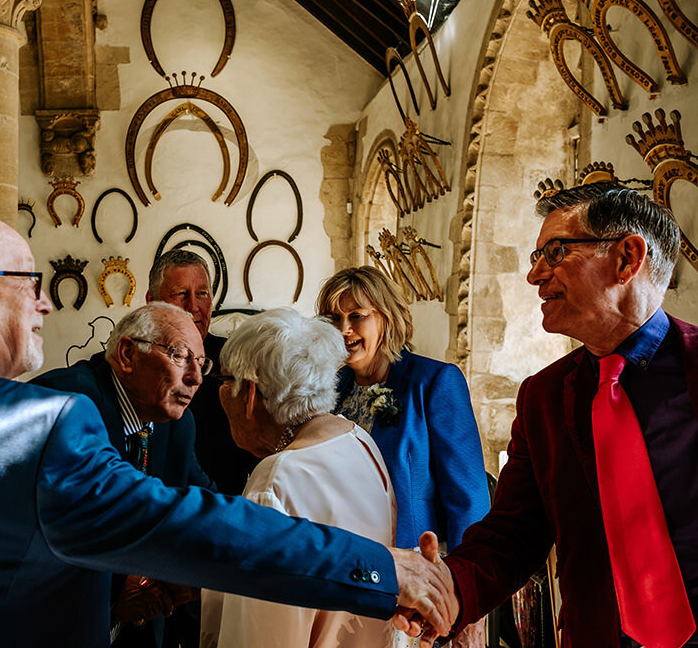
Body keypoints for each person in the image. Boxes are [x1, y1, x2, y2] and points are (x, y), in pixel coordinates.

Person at [0, 191, 456, 647]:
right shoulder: (38, 423)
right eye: (30, 283)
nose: (46, 304)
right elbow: (198, 526)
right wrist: (377, 567)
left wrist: (105, 596)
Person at [441, 183, 698, 648]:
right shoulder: (542, 396)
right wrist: (447, 588)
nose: (535, 275)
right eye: (535, 256)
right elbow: (513, 531)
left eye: (555, 252)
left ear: (626, 259)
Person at [201, 308, 396, 648]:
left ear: (248, 394)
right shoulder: (358, 440)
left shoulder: (276, 480)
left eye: (222, 380)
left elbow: (258, 635)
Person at [35, 302, 215, 648]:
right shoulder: (65, 403)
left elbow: (199, 501)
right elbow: (41, 527)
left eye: (201, 363)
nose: (195, 377)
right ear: (128, 354)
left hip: (136, 626)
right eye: (180, 356)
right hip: (53, 621)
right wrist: (117, 586)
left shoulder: (177, 424)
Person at [316, 266, 489, 552]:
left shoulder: (434, 382)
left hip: (413, 558)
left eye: (357, 316)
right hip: (343, 556)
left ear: (388, 318)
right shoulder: (330, 389)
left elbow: (468, 499)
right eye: (333, 319)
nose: (343, 330)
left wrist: (462, 580)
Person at [146, 250, 258, 495]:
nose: (194, 306)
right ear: (152, 301)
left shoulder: (235, 359)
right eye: (181, 294)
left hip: (222, 510)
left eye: (202, 294)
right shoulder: (136, 362)